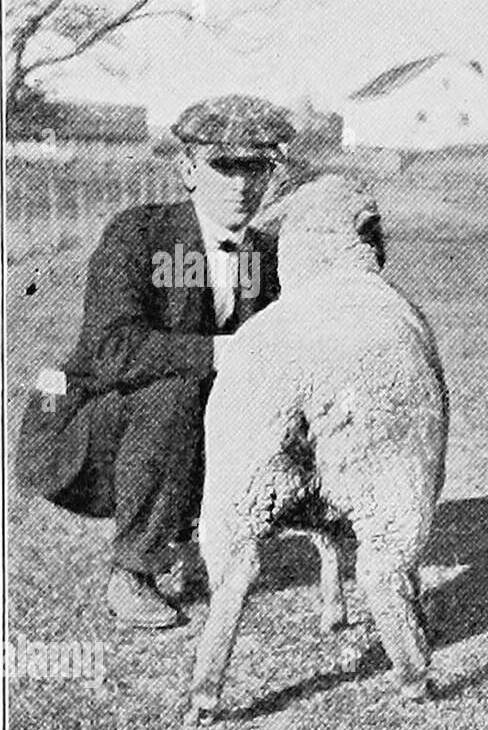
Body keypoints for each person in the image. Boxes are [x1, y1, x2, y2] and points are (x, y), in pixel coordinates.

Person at [16, 94, 295, 629]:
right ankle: (132, 571)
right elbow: (111, 348)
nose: (241, 184)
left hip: (181, 421)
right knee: (179, 388)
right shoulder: (139, 235)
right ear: (188, 169)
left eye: (255, 167)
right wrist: (222, 350)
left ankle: (190, 538)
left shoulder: (264, 253)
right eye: (224, 166)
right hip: (87, 423)